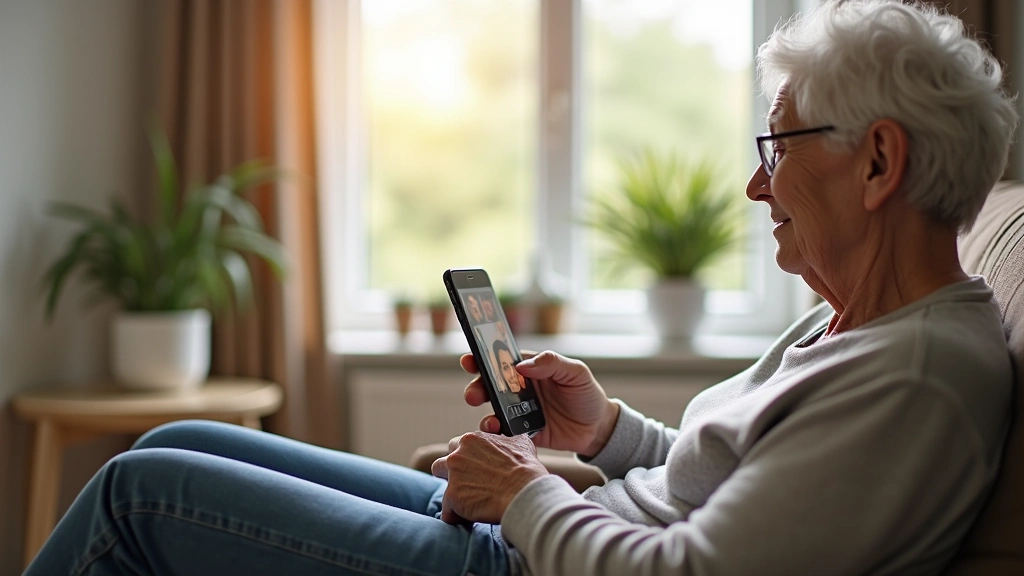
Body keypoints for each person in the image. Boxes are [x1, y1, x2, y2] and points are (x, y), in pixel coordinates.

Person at [24, 1, 1017, 575]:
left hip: (537, 565)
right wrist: (608, 432)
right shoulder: (857, 328)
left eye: (778, 147)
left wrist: (528, 491)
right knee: (175, 440)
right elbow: (741, 485)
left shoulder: (918, 376)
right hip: (567, 532)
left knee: (134, 493)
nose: (756, 183)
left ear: (878, 163)